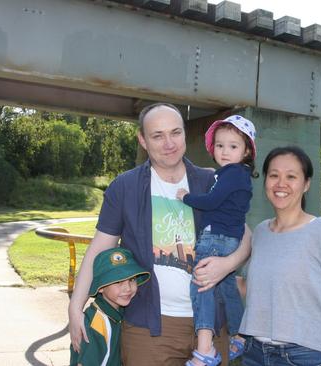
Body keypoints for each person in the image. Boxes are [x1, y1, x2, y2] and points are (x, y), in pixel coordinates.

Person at [68, 103, 251, 366]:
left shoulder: (210, 180)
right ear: (143, 140)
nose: (169, 143)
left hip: (211, 328)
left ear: (185, 135)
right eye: (158, 135)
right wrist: (75, 306)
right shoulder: (125, 187)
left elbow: (245, 234)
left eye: (175, 133)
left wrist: (227, 265)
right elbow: (99, 249)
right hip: (148, 329)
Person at [239, 146, 321, 366]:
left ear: (306, 184)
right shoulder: (261, 231)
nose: (281, 183)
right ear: (265, 181)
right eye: (274, 175)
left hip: (304, 356)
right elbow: (248, 287)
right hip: (255, 353)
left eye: (291, 176)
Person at [176, 115, 257, 366]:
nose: (224, 151)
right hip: (229, 239)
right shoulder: (234, 175)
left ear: (246, 152)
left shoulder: (232, 174)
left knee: (201, 286)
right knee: (226, 287)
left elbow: (211, 202)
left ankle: (205, 348)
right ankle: (240, 335)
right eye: (220, 145)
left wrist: (185, 197)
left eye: (233, 146)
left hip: (216, 238)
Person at [70, 247, 150, 366]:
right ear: (100, 287)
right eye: (118, 282)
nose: (128, 288)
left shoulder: (117, 310)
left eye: (132, 279)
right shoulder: (96, 324)